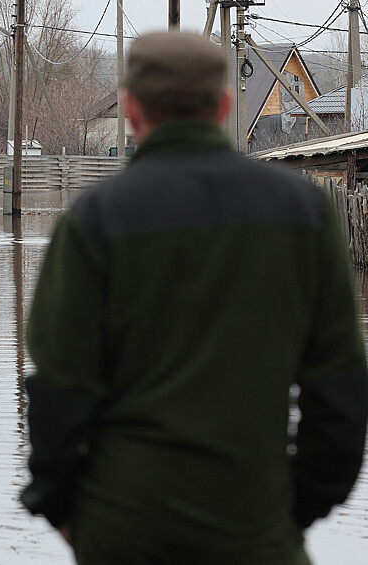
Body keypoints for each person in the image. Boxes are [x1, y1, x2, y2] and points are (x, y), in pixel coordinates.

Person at [21, 31, 368, 565]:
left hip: (123, 530)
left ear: (131, 109)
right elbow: (341, 391)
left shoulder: (94, 221)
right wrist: (293, 507)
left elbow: (58, 392)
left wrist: (67, 508)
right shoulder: (304, 214)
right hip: (257, 529)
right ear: (226, 104)